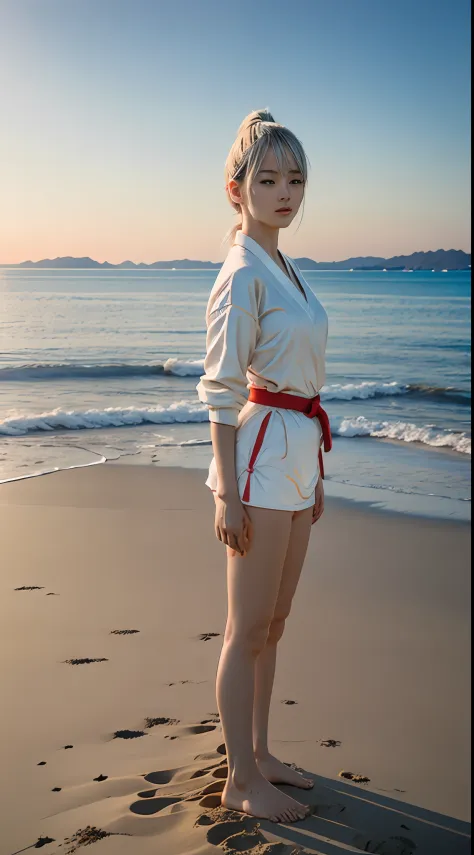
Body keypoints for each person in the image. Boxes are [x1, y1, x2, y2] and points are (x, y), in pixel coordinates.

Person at [196, 109, 331, 824]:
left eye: (296, 178)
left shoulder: (283, 265)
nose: (285, 191)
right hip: (256, 462)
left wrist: (317, 475)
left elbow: (304, 381)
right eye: (269, 178)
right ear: (236, 189)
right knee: (245, 627)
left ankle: (261, 751)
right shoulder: (241, 271)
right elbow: (220, 386)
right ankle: (240, 779)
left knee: (274, 623)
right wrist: (227, 493)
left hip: (298, 455)